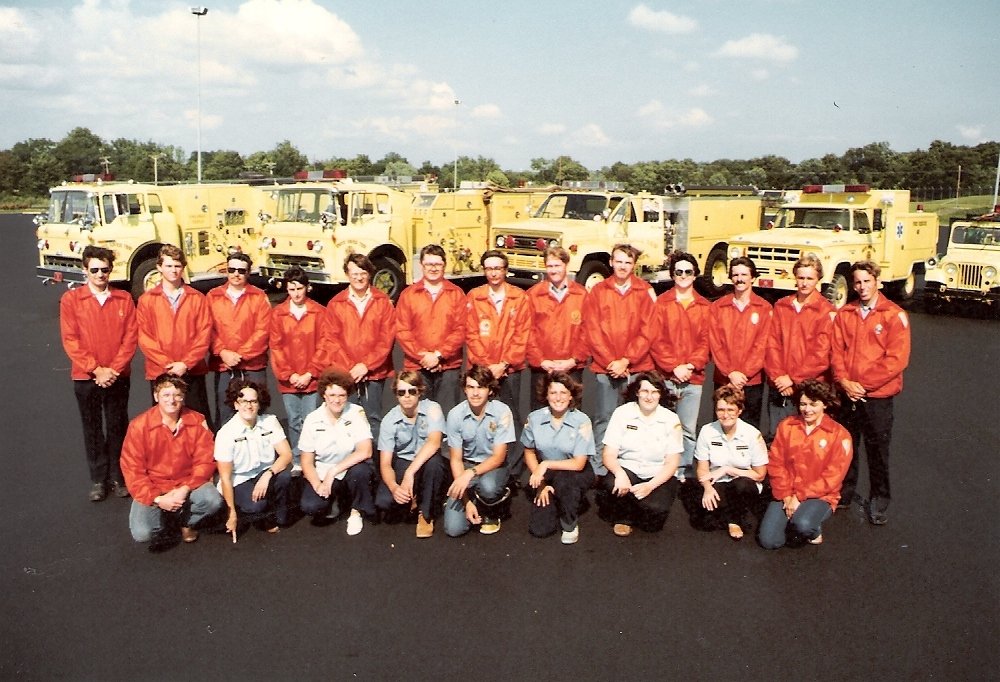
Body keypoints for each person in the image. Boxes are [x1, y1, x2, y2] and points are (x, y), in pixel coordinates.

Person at [831, 260, 911, 525]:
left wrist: (862, 385)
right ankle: (844, 492)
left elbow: (896, 360)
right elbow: (837, 351)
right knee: (847, 446)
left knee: (877, 451)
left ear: (877, 281)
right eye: (857, 282)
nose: (862, 287)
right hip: (848, 394)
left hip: (876, 397)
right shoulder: (846, 313)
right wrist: (844, 381)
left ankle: (879, 499)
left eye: (867, 281)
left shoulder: (893, 314)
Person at [60, 245, 138, 501]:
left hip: (117, 376)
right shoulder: (72, 300)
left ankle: (118, 476)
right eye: (94, 269)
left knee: (117, 427)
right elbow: (71, 340)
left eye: (105, 269)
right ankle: (98, 479)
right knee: (92, 428)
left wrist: (113, 369)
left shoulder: (124, 299)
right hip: (86, 377)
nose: (100, 274)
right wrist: (96, 369)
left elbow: (130, 338)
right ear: (85, 270)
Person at [120, 375, 223, 551]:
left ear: (183, 397)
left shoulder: (197, 421)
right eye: (166, 395)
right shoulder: (139, 426)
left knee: (213, 501)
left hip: (187, 483)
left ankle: (186, 521)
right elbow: (132, 470)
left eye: (177, 395)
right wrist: (158, 499)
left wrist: (185, 489)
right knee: (142, 533)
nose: (172, 400)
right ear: (156, 397)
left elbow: (205, 460)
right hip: (155, 487)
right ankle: (167, 516)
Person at [582, 243, 657, 477]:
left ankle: (631, 465)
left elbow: (648, 331)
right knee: (604, 417)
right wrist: (611, 362)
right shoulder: (598, 291)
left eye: (628, 262)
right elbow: (592, 330)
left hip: (636, 368)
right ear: (611, 263)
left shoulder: (644, 291)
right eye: (619, 261)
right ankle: (598, 468)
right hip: (606, 368)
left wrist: (627, 360)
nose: (623, 266)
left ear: (634, 265)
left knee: (635, 419)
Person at [758, 380, 852, 549]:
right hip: (788, 493)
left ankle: (813, 528)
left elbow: (832, 478)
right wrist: (786, 495)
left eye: (813, 404)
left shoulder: (839, 435)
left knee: (803, 524)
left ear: (824, 404)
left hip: (820, 496)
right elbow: (776, 463)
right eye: (803, 404)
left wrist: (800, 497)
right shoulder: (786, 426)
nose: (807, 409)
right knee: (769, 541)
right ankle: (793, 520)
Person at [465, 250, 530, 478]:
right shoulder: (474, 296)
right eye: (489, 268)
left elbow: (522, 335)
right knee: (482, 415)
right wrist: (487, 367)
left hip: (509, 370)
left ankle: (513, 469)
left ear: (505, 270)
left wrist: (503, 364)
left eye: (498, 268)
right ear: (484, 270)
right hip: (483, 371)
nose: (494, 273)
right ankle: (484, 462)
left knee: (510, 416)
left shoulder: (519, 297)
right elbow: (471, 334)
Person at [598, 371, 683, 537]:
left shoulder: (671, 419)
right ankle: (624, 516)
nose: (649, 397)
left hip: (656, 474)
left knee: (655, 514)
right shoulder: (622, 413)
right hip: (628, 469)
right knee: (610, 485)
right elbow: (608, 454)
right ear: (637, 392)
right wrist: (620, 474)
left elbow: (672, 463)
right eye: (645, 391)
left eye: (654, 392)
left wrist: (650, 486)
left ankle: (638, 504)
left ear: (660, 394)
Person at [650, 250, 711, 480]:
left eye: (688, 271)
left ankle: (683, 470)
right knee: (662, 427)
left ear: (695, 275)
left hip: (693, 379)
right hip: (666, 376)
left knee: (687, 428)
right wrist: (673, 366)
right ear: (672, 275)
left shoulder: (705, 307)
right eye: (679, 272)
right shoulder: (662, 303)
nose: (683, 275)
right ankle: (660, 468)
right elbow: (655, 339)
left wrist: (690, 366)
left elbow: (706, 341)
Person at [136, 244, 213, 427]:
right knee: (164, 422)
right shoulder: (147, 300)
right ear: (159, 267)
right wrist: (167, 364)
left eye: (177, 266)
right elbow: (145, 337)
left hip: (191, 370)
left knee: (197, 421)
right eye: (169, 266)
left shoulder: (197, 298)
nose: (173, 270)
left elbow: (204, 334)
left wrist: (185, 363)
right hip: (161, 371)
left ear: (183, 268)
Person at [322, 253, 395, 442]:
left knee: (373, 418)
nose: (359, 278)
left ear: (369, 274)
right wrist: (350, 368)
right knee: (347, 417)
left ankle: (377, 463)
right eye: (354, 274)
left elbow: (386, 339)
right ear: (347, 275)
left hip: (374, 373)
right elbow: (331, 340)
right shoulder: (336, 304)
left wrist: (366, 365)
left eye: (363, 273)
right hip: (346, 373)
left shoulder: (382, 301)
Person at [764, 254, 835, 442]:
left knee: (805, 440)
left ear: (818, 279)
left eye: (809, 278)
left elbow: (821, 353)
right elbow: (772, 344)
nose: (804, 283)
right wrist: (778, 376)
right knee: (778, 438)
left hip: (809, 387)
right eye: (801, 278)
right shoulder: (781, 306)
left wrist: (793, 379)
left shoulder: (825, 311)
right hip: (780, 386)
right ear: (794, 277)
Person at [297, 368, 375, 536]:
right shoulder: (312, 419)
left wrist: (334, 471)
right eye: (332, 395)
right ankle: (335, 499)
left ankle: (356, 511)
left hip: (349, 468)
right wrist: (317, 484)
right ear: (324, 395)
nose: (337, 400)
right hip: (323, 472)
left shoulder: (356, 413)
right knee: (311, 506)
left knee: (361, 472)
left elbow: (365, 450)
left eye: (342, 395)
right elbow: (306, 461)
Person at [521, 372, 595, 544]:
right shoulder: (534, 419)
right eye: (553, 393)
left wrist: (545, 464)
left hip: (575, 472)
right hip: (547, 474)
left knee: (565, 483)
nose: (558, 398)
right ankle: (557, 499)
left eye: (563, 393)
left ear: (571, 396)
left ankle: (570, 523)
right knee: (540, 529)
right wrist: (541, 485)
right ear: (546, 395)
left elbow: (579, 463)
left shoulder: (581, 421)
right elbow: (529, 451)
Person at [443, 365, 516, 537]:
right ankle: (473, 499)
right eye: (470, 387)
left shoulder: (502, 412)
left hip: (493, 467)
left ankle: (492, 507)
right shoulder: (455, 415)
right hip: (466, 466)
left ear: (490, 390)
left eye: (480, 387)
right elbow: (455, 459)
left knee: (489, 488)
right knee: (454, 530)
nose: (475, 393)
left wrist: (470, 474)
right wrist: (466, 501)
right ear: (464, 389)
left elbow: (499, 457)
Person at [375, 371, 449, 538]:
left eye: (412, 391)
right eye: (402, 392)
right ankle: (414, 497)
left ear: (420, 392)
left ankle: (426, 514)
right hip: (403, 461)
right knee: (384, 502)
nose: (407, 396)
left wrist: (410, 473)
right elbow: (385, 463)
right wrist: (394, 487)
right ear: (396, 395)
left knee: (435, 464)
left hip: (427, 461)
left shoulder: (432, 408)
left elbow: (434, 442)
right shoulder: (389, 420)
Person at [214, 380, 293, 537]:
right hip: (239, 480)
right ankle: (252, 513)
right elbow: (225, 477)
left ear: (259, 403)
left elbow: (287, 455)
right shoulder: (226, 433)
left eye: (253, 401)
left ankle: (272, 512)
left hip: (263, 473)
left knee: (284, 476)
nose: (249, 406)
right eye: (243, 401)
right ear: (236, 404)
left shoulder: (270, 421)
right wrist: (232, 514)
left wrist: (268, 474)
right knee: (256, 506)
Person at [394, 244, 467, 414]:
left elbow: (461, 329)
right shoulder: (408, 295)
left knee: (448, 414)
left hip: (449, 366)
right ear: (421, 266)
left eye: (437, 264)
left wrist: (438, 355)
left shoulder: (456, 294)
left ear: (444, 265)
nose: (433, 268)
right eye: (429, 264)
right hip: (417, 366)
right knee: (419, 415)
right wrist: (423, 356)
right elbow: (402, 331)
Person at [693, 386, 768, 540]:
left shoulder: (752, 434)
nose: (725, 415)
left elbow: (760, 475)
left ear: (739, 410)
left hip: (744, 482)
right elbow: (702, 469)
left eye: (730, 409)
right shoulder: (707, 431)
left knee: (741, 486)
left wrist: (728, 469)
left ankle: (736, 518)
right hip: (717, 482)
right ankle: (725, 513)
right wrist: (707, 488)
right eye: (720, 409)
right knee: (704, 523)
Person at [269, 267, 325, 470]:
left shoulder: (319, 312)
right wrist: (289, 375)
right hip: (289, 380)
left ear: (307, 287)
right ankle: (296, 459)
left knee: (312, 419)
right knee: (294, 420)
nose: (296, 293)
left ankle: (314, 457)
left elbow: (324, 344)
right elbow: (276, 347)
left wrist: (310, 373)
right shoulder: (278, 314)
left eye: (300, 288)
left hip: (312, 378)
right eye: (291, 289)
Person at [207, 252, 271, 428]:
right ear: (226, 270)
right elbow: (208, 329)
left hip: (253, 366)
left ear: (248, 273)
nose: (236, 274)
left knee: (257, 415)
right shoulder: (213, 296)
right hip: (224, 366)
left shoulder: (259, 297)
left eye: (241, 271)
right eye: (232, 269)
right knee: (225, 415)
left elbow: (263, 331)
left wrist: (241, 355)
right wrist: (223, 352)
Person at [708, 256, 773, 430]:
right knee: (721, 427)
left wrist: (743, 374)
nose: (740, 279)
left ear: (752, 277)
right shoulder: (718, 307)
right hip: (724, 379)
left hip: (751, 381)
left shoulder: (764, 308)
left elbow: (762, 345)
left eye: (744, 274)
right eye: (735, 274)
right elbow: (715, 343)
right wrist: (730, 373)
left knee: (749, 430)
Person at [525, 246, 589, 411]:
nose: (553, 270)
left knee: (572, 414)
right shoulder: (534, 295)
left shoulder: (581, 295)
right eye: (550, 266)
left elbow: (587, 331)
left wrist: (573, 360)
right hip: (543, 368)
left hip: (571, 367)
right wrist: (541, 361)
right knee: (541, 415)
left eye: (557, 265)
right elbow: (528, 331)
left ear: (566, 265)